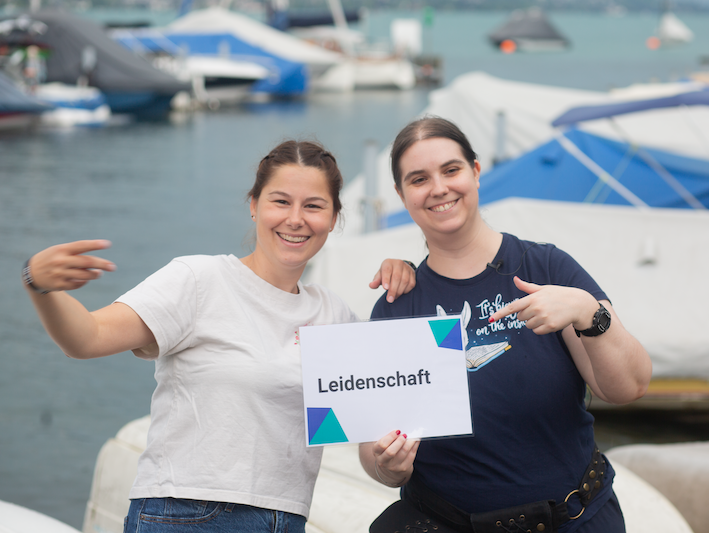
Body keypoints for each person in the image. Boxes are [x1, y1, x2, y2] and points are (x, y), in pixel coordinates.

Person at [22, 140, 416, 533]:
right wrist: (39, 284)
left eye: (313, 206)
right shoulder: (199, 281)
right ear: (254, 205)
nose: (296, 219)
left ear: (333, 218)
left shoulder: (335, 315)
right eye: (280, 201)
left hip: (286, 519)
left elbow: (372, 442)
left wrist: (390, 466)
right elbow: (87, 338)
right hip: (186, 515)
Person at [360, 117, 652, 533]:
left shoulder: (546, 267)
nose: (439, 188)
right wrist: (386, 466)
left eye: (451, 170)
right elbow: (372, 451)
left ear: (476, 172)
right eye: (419, 179)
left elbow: (629, 387)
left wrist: (589, 313)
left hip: (574, 519)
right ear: (401, 194)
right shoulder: (396, 306)